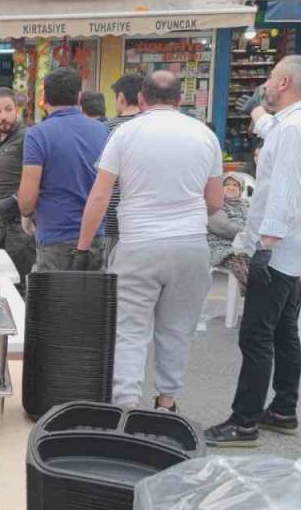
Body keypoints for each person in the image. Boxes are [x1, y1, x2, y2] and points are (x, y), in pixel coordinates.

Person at [75, 70, 224, 411]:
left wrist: (83, 247)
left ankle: (126, 405)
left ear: (141, 99)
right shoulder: (204, 135)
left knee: (129, 330)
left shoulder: (126, 133)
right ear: (180, 100)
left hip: (138, 244)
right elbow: (215, 202)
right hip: (190, 244)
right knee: (177, 329)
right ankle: (167, 402)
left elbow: (99, 197)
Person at [205, 55, 301, 448]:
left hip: (278, 247)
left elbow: (284, 192)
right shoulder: (299, 122)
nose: (267, 84)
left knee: (256, 336)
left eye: (272, 78)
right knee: (284, 330)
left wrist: (265, 247)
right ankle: (283, 408)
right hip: (294, 245)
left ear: (285, 80)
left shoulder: (294, 130)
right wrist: (258, 110)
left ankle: (244, 421)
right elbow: (271, 128)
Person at [18, 67, 111, 270]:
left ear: (45, 98)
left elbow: (26, 200)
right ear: (79, 97)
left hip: (55, 237)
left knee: (54, 301)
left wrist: (26, 215)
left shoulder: (37, 135)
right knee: (90, 301)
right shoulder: (102, 131)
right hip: (94, 236)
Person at [0, 87, 35, 281]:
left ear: (16, 110)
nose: (3, 116)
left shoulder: (28, 137)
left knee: (19, 283)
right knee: (1, 282)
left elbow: (39, 178)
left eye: (8, 109)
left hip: (19, 227)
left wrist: (14, 200)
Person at [102, 74, 144, 264]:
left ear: (121, 98)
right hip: (142, 218)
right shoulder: (151, 127)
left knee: (111, 276)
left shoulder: (106, 129)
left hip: (111, 215)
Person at [210, 175, 251, 283]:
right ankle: (255, 297)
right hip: (223, 248)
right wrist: (248, 232)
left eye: (235, 185)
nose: (231, 188)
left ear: (241, 189)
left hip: (247, 247)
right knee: (245, 268)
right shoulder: (215, 205)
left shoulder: (248, 206)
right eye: (226, 185)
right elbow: (223, 227)